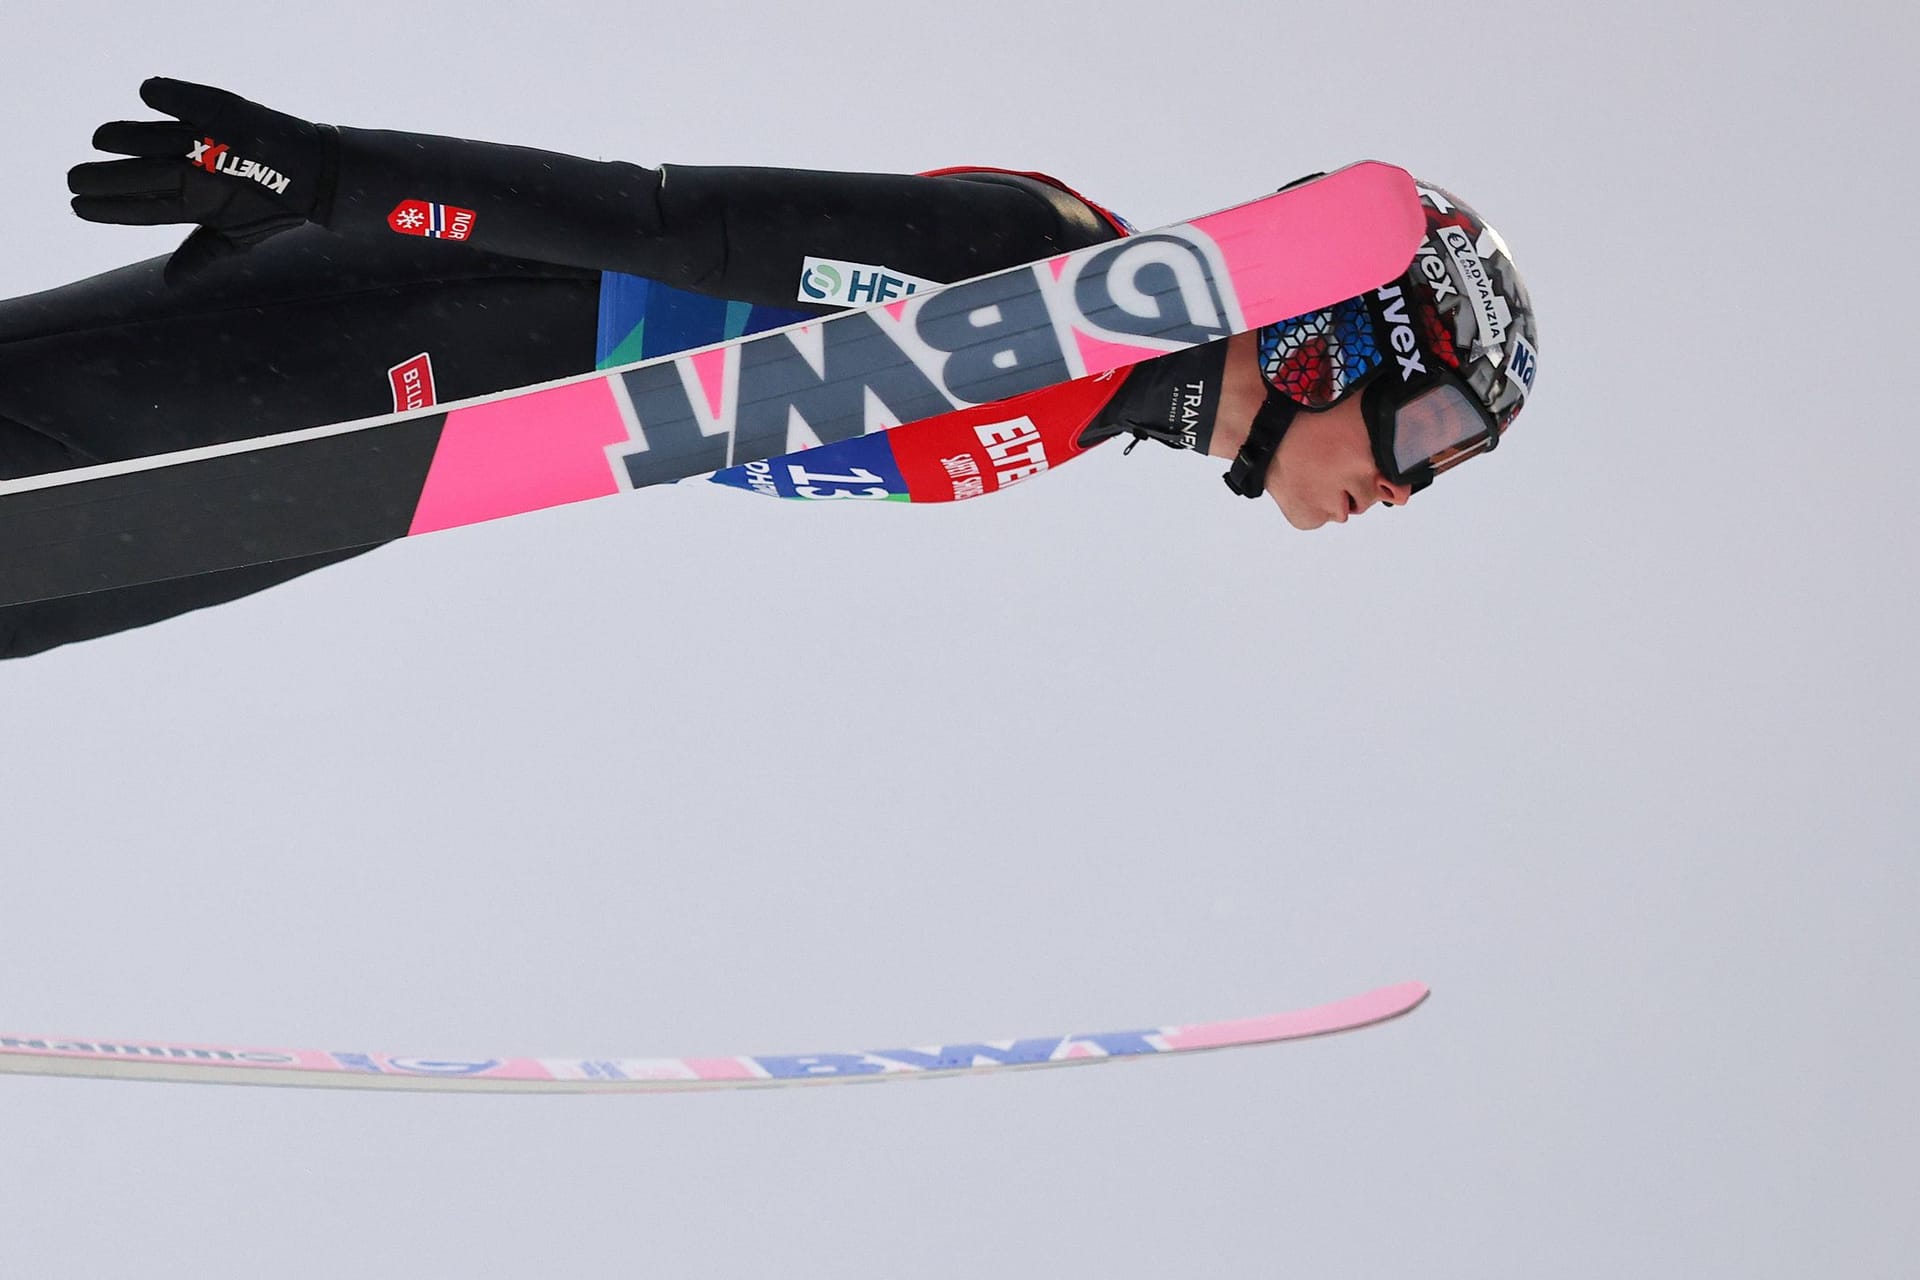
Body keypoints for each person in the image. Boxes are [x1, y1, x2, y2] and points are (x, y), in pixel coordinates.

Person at [0, 78, 1537, 659]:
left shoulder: (1075, 414)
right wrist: (335, 176)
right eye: (1434, 429)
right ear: (1351, 333)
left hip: (423, 459)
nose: (1404, 486)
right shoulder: (1046, 279)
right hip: (418, 336)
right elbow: (673, 223)